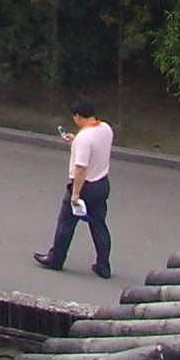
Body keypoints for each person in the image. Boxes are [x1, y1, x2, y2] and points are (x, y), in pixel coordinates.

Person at [35, 97, 114, 279]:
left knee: (66, 224)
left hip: (85, 186)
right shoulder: (105, 129)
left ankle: (56, 259)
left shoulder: (84, 138)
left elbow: (81, 168)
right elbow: (96, 148)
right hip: (102, 183)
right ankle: (103, 265)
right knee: (99, 225)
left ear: (78, 116)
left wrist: (76, 193)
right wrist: (75, 141)